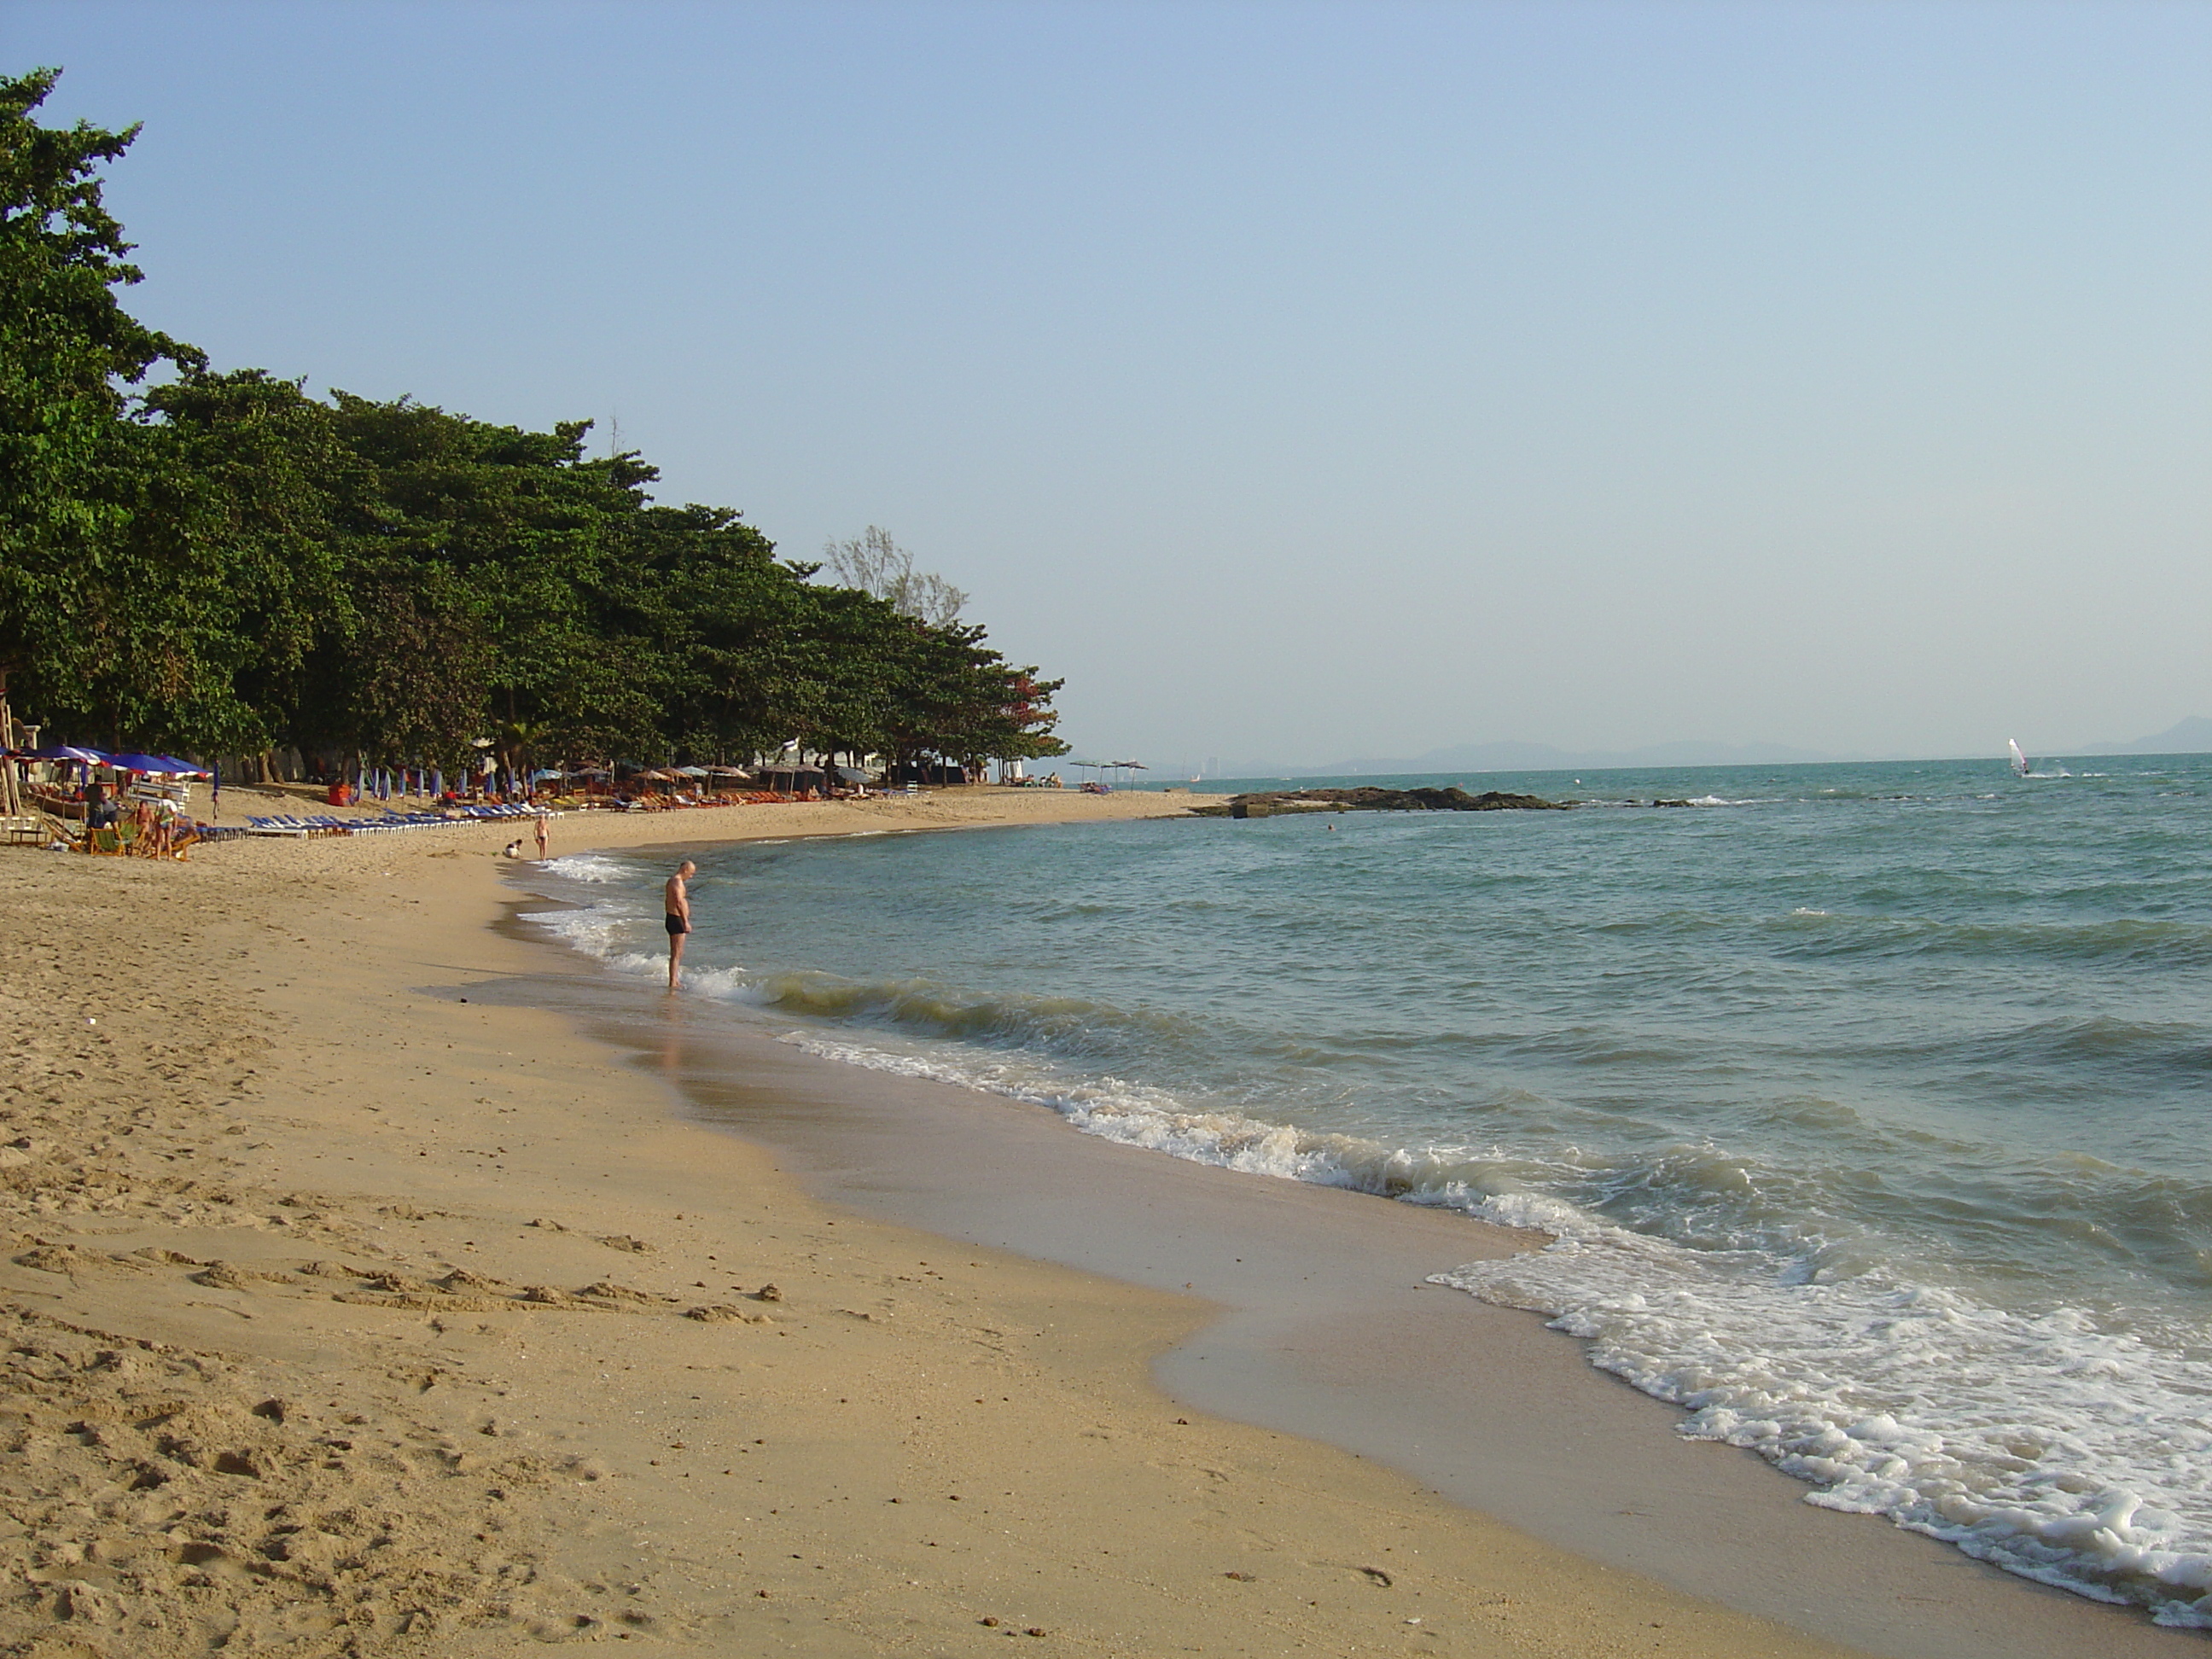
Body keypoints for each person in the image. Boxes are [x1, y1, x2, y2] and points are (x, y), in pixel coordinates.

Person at [663, 859, 696, 990]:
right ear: (685, 870)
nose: (691, 876)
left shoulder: (674, 881)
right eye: (691, 873)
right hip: (676, 919)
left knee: (678, 952)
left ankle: (675, 979)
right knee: (676, 953)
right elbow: (678, 902)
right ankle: (672, 981)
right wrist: (685, 921)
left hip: (674, 918)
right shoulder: (676, 882)